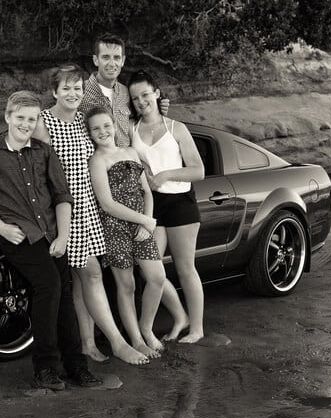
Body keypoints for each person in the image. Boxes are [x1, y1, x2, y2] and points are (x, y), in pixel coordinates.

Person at [0, 91, 103, 390]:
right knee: (49, 285)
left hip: (52, 233)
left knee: (64, 295)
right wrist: (2, 228)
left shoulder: (43, 151)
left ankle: (76, 367)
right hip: (18, 235)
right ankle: (45, 369)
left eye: (32, 119)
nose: (26, 124)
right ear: (7, 117)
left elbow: (62, 197)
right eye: (20, 118)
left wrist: (64, 235)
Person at [33, 64, 147, 365]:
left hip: (90, 209)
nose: (72, 93)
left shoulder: (84, 121)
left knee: (82, 279)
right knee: (92, 274)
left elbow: (110, 136)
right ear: (54, 92)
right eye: (66, 88)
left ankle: (86, 343)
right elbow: (28, 163)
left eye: (77, 88)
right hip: (63, 212)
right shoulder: (43, 123)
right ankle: (118, 343)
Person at [87, 106, 172, 357]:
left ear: (114, 125)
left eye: (106, 125)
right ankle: (135, 340)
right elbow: (107, 204)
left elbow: (146, 190)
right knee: (127, 285)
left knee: (156, 278)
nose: (102, 131)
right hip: (115, 227)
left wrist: (146, 223)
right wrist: (144, 220)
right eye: (95, 128)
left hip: (142, 224)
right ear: (90, 134)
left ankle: (146, 329)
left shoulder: (131, 152)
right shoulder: (97, 160)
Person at [128, 70, 206, 343]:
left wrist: (166, 175)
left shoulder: (176, 128)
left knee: (186, 268)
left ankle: (196, 329)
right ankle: (178, 316)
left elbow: (198, 170)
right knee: (151, 271)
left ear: (157, 93)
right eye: (135, 97)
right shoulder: (131, 129)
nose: (141, 101)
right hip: (151, 206)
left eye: (146, 94)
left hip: (180, 203)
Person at [78, 33, 169, 147]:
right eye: (106, 57)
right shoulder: (79, 91)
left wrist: (158, 108)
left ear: (123, 61)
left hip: (126, 158)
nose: (112, 64)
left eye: (116, 57)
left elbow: (141, 119)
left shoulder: (126, 93)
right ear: (96, 60)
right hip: (96, 161)